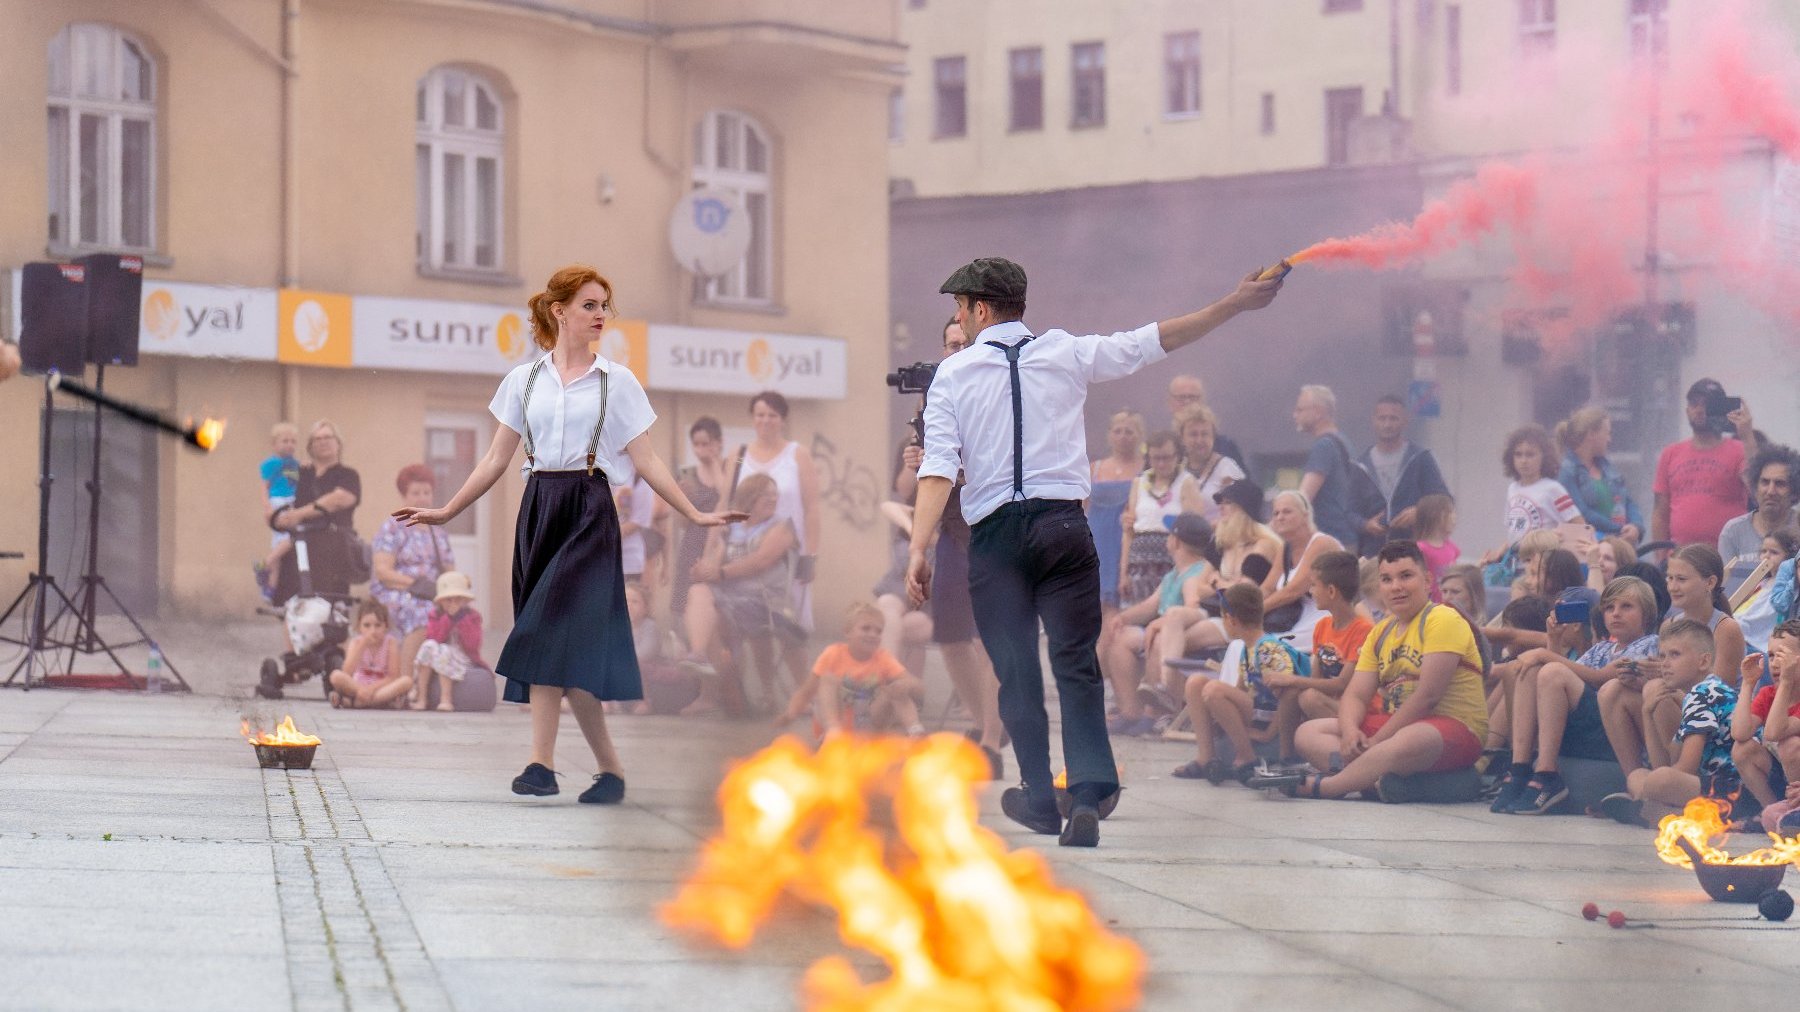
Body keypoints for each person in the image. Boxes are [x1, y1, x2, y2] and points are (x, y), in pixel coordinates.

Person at [907, 256, 1282, 847]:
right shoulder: (1066, 352)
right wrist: (1232, 303)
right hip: (1063, 528)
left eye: (960, 306)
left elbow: (936, 470)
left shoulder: (953, 376)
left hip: (998, 538)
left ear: (980, 308)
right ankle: (1086, 790)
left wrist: (918, 547)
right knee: (1077, 664)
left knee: (1016, 672)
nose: (958, 317)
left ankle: (1036, 793)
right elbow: (1154, 340)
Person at [395, 264, 739, 805]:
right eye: (589, 305)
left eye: (605, 305)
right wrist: (446, 510)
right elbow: (493, 460)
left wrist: (693, 515)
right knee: (569, 660)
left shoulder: (617, 382)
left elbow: (646, 460)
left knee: (544, 628)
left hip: (588, 510)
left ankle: (540, 764)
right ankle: (611, 772)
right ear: (559, 311)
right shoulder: (522, 380)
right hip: (539, 510)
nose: (601, 315)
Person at [1249, 541, 1488, 800]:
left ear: (1428, 580)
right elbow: (1355, 695)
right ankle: (1379, 780)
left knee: (1407, 739)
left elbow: (1427, 697)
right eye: (1386, 579)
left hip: (1454, 729)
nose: (1396, 586)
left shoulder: (1442, 619)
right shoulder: (1380, 632)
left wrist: (1378, 741)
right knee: (1309, 733)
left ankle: (1329, 786)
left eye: (1406, 576)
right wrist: (1351, 732)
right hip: (1398, 730)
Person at [898, 317, 1006, 776]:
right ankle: (985, 724)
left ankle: (991, 741)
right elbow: (907, 489)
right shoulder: (933, 403)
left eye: (965, 342)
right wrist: (916, 462)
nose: (957, 350)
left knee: (991, 638)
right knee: (951, 636)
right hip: (952, 535)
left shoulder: (995, 392)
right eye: (951, 344)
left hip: (994, 530)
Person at [1490, 576, 1661, 814]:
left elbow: (1599, 678)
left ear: (1647, 613)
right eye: (1609, 608)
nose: (1616, 614)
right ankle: (1520, 767)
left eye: (1626, 607)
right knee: (1533, 671)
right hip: (1585, 724)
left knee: (1551, 669)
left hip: (1614, 728)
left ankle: (1547, 774)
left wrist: (1544, 654)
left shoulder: (1650, 645)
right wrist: (1553, 640)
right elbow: (1550, 680)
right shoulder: (1602, 648)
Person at [687, 474, 808, 714]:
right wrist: (703, 570)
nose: (773, 498)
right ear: (749, 497)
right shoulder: (732, 529)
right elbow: (715, 561)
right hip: (731, 601)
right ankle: (699, 657)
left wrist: (719, 573)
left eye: (775, 494)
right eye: (766, 493)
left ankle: (722, 692)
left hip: (766, 601)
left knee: (724, 621)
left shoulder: (782, 526)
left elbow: (760, 561)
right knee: (698, 592)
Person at [1597, 619, 1738, 826]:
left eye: (1675, 655)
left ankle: (1652, 810)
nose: (1665, 664)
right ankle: (1657, 810)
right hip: (1708, 787)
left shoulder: (1704, 693)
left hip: (1732, 793)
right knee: (1638, 775)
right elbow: (1664, 761)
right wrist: (1647, 712)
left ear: (1703, 662)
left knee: (1658, 780)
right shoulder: (1693, 695)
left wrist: (1658, 783)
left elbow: (1685, 767)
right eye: (1662, 656)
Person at [1172, 583, 1307, 784]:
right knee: (1196, 683)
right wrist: (1218, 712)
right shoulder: (1247, 648)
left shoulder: (1267, 650)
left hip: (1269, 718)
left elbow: (1288, 694)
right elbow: (1240, 690)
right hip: (1256, 710)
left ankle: (1246, 757)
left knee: (1213, 689)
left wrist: (1268, 733)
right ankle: (1206, 757)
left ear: (1230, 619)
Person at [1100, 512, 1215, 737]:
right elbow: (1150, 605)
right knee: (1121, 638)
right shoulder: (1173, 574)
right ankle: (1130, 710)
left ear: (1176, 541)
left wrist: (1160, 623)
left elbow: (1194, 607)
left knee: (1157, 638)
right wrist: (1123, 618)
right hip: (1162, 626)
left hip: (1182, 633)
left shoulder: (1199, 571)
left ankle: (1157, 711)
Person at [1261, 549, 1372, 769]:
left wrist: (1291, 679)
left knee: (1308, 696)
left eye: (1313, 586)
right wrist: (1290, 685)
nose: (1310, 592)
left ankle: (1331, 753)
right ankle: (1287, 759)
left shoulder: (1363, 631)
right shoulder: (1322, 627)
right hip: (1330, 702)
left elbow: (1341, 683)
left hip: (1356, 711)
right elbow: (1315, 679)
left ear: (1331, 591)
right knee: (1294, 692)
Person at [730, 391, 820, 628]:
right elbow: (725, 503)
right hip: (743, 551)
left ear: (782, 420)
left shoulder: (798, 455)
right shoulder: (738, 456)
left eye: (772, 415)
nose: (766, 420)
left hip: (788, 555)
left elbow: (812, 508)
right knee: (747, 624)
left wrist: (810, 555)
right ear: (752, 418)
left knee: (790, 628)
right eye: (760, 415)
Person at [370, 464, 454, 707]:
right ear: (405, 496)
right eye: (415, 492)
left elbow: (449, 571)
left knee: (457, 613)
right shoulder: (393, 526)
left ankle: (439, 685)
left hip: (428, 593)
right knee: (422, 613)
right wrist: (417, 585)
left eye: (426, 492)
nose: (421, 497)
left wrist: (453, 592)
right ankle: (407, 686)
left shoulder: (437, 530)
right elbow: (383, 572)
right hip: (395, 590)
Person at [790, 602, 925, 737]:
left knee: (896, 688)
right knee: (827, 680)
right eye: (866, 629)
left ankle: (915, 732)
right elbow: (808, 689)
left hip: (871, 725)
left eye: (878, 631)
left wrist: (905, 685)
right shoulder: (833, 654)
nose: (873, 634)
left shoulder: (883, 657)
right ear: (847, 632)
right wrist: (791, 712)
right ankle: (833, 730)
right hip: (838, 721)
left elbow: (917, 686)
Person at [1652, 378, 1757, 551]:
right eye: (1695, 404)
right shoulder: (1670, 453)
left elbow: (1756, 489)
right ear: (1687, 410)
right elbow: (1660, 512)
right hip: (1680, 558)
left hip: (1728, 554)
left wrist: (1747, 435)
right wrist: (1661, 556)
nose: (1700, 410)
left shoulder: (1739, 450)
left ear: (1721, 409)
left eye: (1707, 404)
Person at [270, 419, 364, 603]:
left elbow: (338, 500)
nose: (323, 442)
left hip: (331, 554)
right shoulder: (301, 474)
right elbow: (278, 493)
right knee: (292, 610)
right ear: (310, 446)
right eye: (317, 439)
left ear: (338, 442)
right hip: (298, 551)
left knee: (330, 612)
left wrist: (298, 514)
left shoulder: (348, 475)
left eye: (328, 437)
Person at [1118, 431, 1200, 605]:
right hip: (1139, 560)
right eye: (1156, 458)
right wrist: (1123, 573)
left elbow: (1196, 530)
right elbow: (1128, 531)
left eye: (1167, 457)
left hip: (1172, 559)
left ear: (1177, 456)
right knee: (1136, 614)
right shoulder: (1139, 482)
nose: (1161, 463)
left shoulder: (1187, 482)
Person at [1360, 394, 1450, 548]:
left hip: (1412, 550)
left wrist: (1419, 512)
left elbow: (1445, 500)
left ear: (1405, 421)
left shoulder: (1421, 458)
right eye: (1382, 418)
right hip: (1372, 553)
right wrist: (1364, 524)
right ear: (1373, 421)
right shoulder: (1360, 464)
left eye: (1393, 418)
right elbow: (1348, 511)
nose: (1387, 424)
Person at [1730, 619, 1800, 818]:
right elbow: (1739, 732)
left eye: (1783, 656)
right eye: (1771, 655)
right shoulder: (1768, 694)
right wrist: (1748, 683)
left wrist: (1786, 682)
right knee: (1742, 749)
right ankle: (1775, 810)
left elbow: (1773, 733)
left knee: (1790, 744)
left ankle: (1795, 814)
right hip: (1784, 780)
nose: (1775, 663)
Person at [1258, 490, 1342, 652]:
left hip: (1324, 618)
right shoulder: (1286, 548)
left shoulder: (1321, 543)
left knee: (1262, 646)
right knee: (1245, 644)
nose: (1280, 517)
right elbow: (1267, 587)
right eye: (1276, 513)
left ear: (1305, 515)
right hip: (1297, 619)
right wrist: (1244, 605)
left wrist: (1256, 611)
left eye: (1287, 511)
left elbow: (1293, 591)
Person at [1487, 424, 1580, 559]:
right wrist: (1500, 552)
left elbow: (1580, 526)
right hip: (1516, 563)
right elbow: (1516, 533)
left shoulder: (1553, 489)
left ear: (1544, 457)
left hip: (1544, 563)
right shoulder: (1512, 489)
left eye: (1530, 454)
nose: (1523, 460)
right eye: (1518, 454)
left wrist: (1553, 537)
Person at [1555, 406, 1644, 544]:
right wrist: (1619, 530)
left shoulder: (1608, 467)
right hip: (1592, 549)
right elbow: (1581, 513)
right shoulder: (1566, 472)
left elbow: (1628, 501)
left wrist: (1636, 526)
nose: (1609, 439)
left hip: (1620, 546)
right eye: (1607, 433)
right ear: (1591, 434)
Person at [1717, 445, 1800, 587]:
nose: (1770, 491)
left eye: (1780, 484)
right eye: (1765, 482)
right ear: (1755, 487)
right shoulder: (1733, 531)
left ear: (1794, 491)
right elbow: (1724, 587)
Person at [1292, 384, 1362, 550]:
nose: (1295, 415)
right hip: (1348, 538)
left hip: (1330, 542)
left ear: (1318, 412)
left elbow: (1302, 500)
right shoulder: (1343, 443)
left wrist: (1270, 528)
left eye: (1300, 410)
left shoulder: (1323, 446)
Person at [1090, 409, 1144, 611]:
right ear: (1110, 434)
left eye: (1129, 431)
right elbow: (1081, 509)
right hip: (1096, 540)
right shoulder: (1094, 468)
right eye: (1118, 431)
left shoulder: (1145, 469)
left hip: (1127, 539)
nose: (1123, 436)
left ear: (1139, 436)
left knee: (1123, 603)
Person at [413, 571, 483, 713]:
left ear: (465, 600)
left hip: (462, 657)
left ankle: (446, 699)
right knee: (428, 645)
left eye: (457, 600)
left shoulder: (473, 616)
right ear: (440, 601)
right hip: (438, 654)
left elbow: (473, 644)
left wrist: (461, 620)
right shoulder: (436, 615)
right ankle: (421, 697)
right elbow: (434, 638)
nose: (453, 604)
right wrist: (448, 619)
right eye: (448, 600)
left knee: (444, 650)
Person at [327, 599, 409, 709]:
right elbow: (347, 671)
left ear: (386, 626)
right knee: (336, 676)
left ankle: (356, 702)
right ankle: (377, 702)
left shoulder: (390, 642)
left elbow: (393, 676)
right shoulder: (356, 642)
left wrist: (371, 689)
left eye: (378, 625)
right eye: (367, 626)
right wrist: (362, 645)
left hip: (381, 686)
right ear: (359, 626)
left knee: (406, 681)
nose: (373, 631)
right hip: (358, 686)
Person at [1165, 374, 1251, 479]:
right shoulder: (1163, 447)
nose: (1187, 402)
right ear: (1170, 402)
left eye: (1193, 397)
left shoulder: (1225, 447)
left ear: (1202, 401)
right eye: (1181, 397)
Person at [1175, 403, 1245, 525]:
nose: (1199, 440)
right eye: (1193, 434)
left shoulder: (1226, 468)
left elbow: (1240, 514)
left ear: (1213, 437)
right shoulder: (1175, 471)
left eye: (1205, 434)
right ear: (1182, 438)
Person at [255, 422, 301, 599]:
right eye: (285, 441)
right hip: (279, 502)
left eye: (293, 441)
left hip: (293, 503)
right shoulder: (271, 464)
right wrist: (267, 507)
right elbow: (264, 487)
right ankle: (265, 564)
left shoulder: (296, 464)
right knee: (291, 538)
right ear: (274, 444)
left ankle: (271, 588)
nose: (289, 444)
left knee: (278, 545)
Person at [1735, 531, 1799, 655]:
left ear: (1788, 557)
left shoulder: (1788, 586)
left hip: (1758, 642)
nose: (1766, 556)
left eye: (1774, 552)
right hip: (1740, 630)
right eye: (1763, 551)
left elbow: (1764, 615)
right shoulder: (1761, 582)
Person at [1413, 494, 1458, 602]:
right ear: (1437, 516)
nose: (1454, 516)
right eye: (1450, 512)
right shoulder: (1421, 549)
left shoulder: (1451, 547)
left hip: (1448, 603)